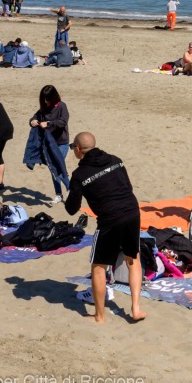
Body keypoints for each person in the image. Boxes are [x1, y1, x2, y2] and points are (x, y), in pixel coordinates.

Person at [64, 132, 145, 323]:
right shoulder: (116, 160)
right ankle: (136, 308)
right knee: (133, 260)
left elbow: (71, 209)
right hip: (132, 211)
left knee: (98, 267)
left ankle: (99, 316)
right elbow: (128, 187)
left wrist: (74, 191)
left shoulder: (79, 175)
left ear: (77, 149)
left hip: (110, 219)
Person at [28, 85, 70, 203]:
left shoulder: (62, 106)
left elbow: (63, 122)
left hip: (61, 143)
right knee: (53, 168)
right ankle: (59, 194)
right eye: (44, 99)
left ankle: (71, 188)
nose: (46, 101)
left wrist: (49, 123)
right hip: (47, 143)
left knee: (57, 167)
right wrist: (33, 121)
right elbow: (35, 116)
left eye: (48, 99)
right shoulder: (44, 107)